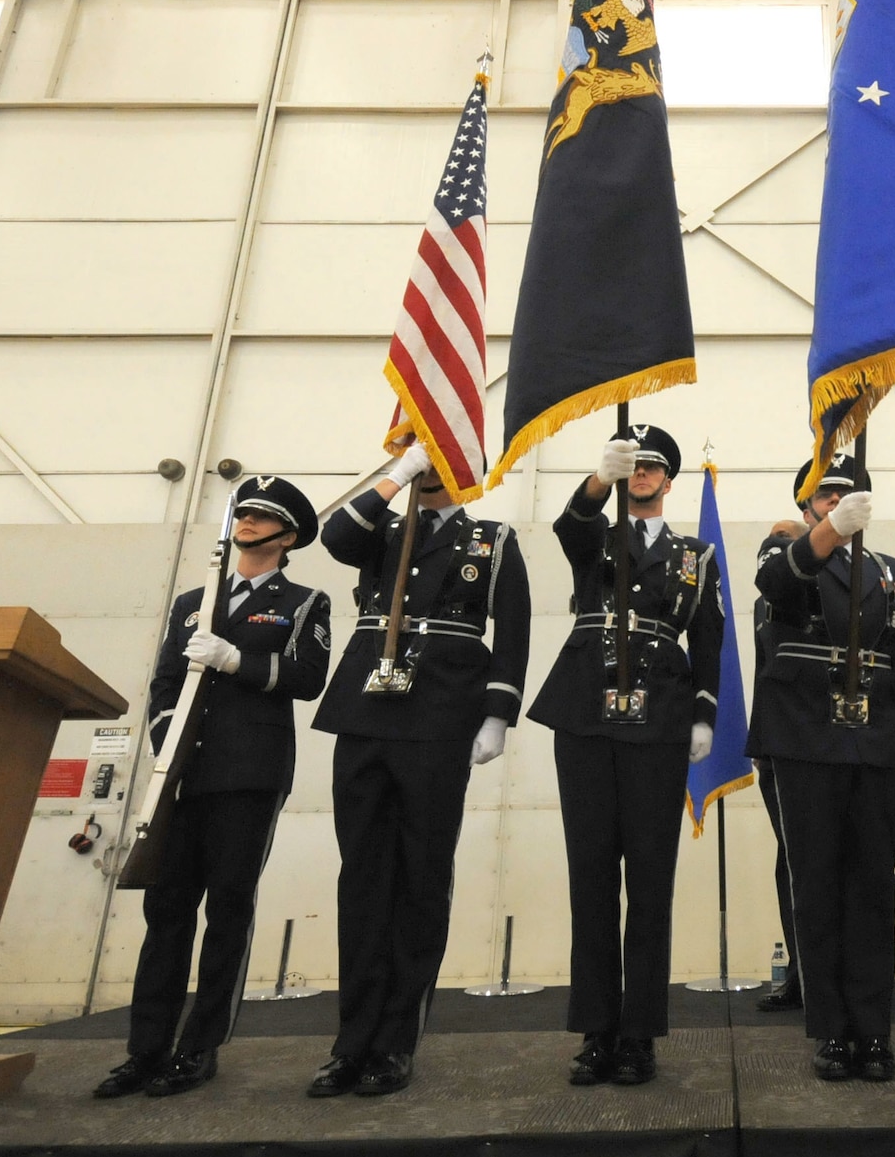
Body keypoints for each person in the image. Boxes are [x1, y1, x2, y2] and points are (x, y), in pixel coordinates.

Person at [304, 443, 531, 1098]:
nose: (430, 465)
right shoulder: (384, 528)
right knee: (364, 881)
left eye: (439, 455)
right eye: (422, 456)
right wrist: (394, 475)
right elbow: (337, 537)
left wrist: (497, 715)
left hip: (439, 716)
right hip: (366, 713)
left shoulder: (492, 539)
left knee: (421, 878)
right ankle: (351, 1043)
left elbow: (511, 632)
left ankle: (395, 1043)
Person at [95, 477, 331, 1099]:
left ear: (288, 536)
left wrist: (236, 660)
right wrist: (167, 736)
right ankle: (145, 1050)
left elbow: (307, 677)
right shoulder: (193, 600)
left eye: (260, 516)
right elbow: (165, 681)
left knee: (227, 908)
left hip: (249, 771)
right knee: (165, 912)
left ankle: (199, 1047)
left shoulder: (304, 600)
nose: (247, 521)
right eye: (243, 513)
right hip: (184, 773)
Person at [529, 426, 723, 1087]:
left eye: (651, 468)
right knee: (591, 879)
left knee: (648, 883)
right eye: (631, 466)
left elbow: (710, 640)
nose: (640, 474)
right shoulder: (598, 536)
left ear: (669, 481)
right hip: (585, 711)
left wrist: (704, 714)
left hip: (661, 716)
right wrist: (596, 481)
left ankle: (638, 1035)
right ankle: (595, 1031)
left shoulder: (696, 555)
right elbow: (569, 525)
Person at [751, 454, 895, 1082]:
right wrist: (825, 534)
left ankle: (873, 1031)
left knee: (872, 886)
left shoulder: (889, 571)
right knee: (819, 882)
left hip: (875, 734)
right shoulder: (784, 553)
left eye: (847, 497)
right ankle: (831, 1029)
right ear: (806, 507)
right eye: (824, 498)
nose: (835, 504)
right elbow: (781, 586)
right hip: (806, 736)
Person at [749, 518, 808, 1016]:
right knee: (790, 856)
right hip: (776, 742)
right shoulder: (762, 603)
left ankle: (826, 972)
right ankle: (800, 970)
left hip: (826, 740)